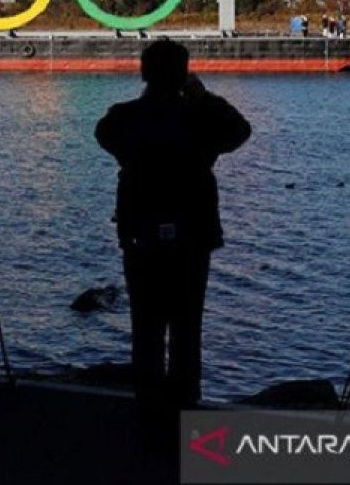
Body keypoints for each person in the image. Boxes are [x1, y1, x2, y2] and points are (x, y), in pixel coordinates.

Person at [95, 40, 251, 421]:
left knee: (145, 326)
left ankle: (146, 403)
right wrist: (203, 96)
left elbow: (104, 135)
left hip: (140, 234)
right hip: (193, 235)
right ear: (184, 73)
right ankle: (185, 402)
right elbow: (240, 130)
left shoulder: (125, 117)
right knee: (187, 325)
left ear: (143, 72)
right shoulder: (201, 117)